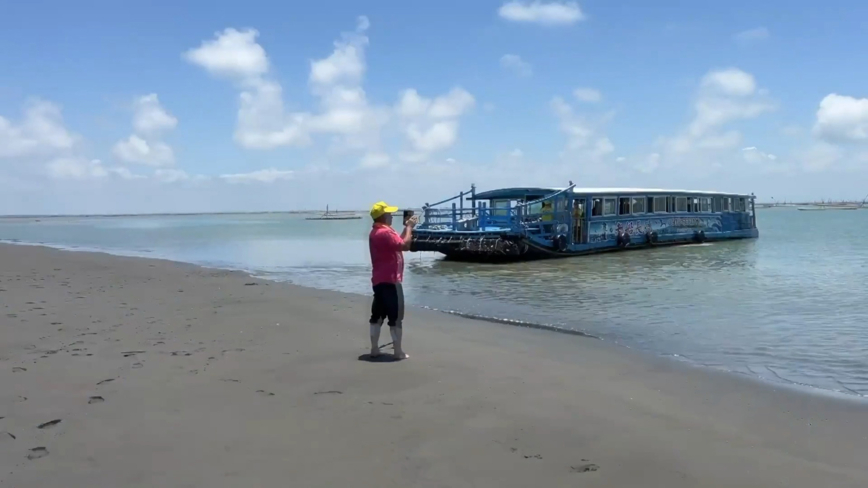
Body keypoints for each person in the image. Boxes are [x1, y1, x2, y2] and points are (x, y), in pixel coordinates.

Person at [368, 201, 417, 360]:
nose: (391, 216)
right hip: (391, 280)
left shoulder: (377, 232)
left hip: (379, 280)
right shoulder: (385, 232)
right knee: (395, 317)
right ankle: (398, 352)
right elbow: (404, 246)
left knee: (377, 315)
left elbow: (397, 244)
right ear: (382, 216)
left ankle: (375, 349)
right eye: (389, 214)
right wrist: (409, 228)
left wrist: (407, 228)